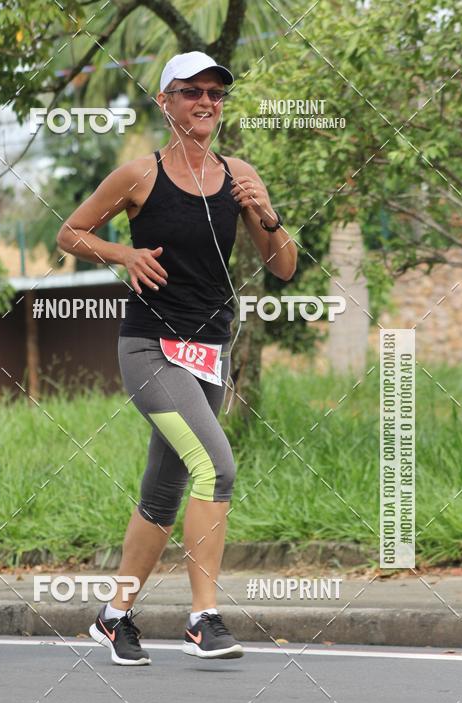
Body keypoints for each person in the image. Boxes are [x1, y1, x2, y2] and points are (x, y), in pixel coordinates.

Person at [57, 51, 297, 665]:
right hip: (150, 348)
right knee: (216, 467)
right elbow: (70, 232)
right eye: (192, 91)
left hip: (210, 350)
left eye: (216, 93)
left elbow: (283, 268)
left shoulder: (240, 174)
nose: (206, 102)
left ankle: (114, 617)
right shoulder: (139, 175)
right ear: (165, 101)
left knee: (163, 492)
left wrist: (266, 215)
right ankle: (202, 618)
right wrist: (125, 255)